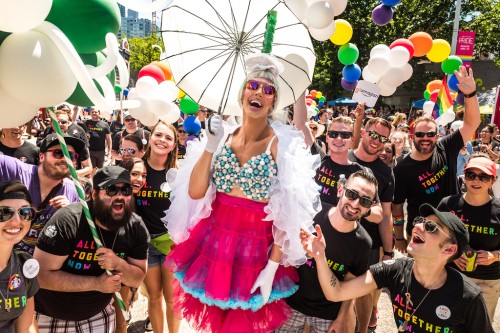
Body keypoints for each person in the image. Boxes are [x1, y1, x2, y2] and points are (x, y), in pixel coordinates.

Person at [164, 53, 320, 333]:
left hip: (254, 253)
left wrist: (272, 267)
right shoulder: (223, 136)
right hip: (214, 247)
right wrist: (211, 146)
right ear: (242, 93)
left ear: (273, 101)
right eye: (253, 85)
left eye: (268, 89)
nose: (259, 92)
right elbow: (197, 192)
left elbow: (288, 214)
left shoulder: (280, 145)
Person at [301, 203, 494, 333]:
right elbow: (337, 292)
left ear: (449, 249)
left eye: (432, 228)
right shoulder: (395, 270)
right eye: (420, 221)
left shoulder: (468, 297)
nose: (418, 227)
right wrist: (320, 257)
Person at [33, 166, 149, 333]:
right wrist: (96, 284)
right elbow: (40, 276)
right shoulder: (68, 220)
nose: (119, 196)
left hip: (96, 315)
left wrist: (119, 264)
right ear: (94, 195)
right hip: (49, 314)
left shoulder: (136, 227)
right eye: (111, 190)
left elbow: (137, 279)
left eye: (126, 190)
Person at [392, 66, 480, 252]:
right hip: (421, 232)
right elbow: (398, 207)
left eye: (430, 134)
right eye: (420, 134)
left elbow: (472, 123)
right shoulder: (402, 168)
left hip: (452, 227)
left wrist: (470, 94)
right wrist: (399, 237)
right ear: (412, 136)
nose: (425, 138)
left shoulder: (445, 147)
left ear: (437, 136)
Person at [277, 171, 376, 333]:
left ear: (368, 208)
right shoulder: (312, 213)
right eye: (351, 194)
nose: (356, 204)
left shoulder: (363, 243)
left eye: (364, 201)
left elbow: (349, 287)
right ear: (340, 190)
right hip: (290, 304)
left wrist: (342, 318)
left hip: (328, 315)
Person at [437, 155, 500, 321]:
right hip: (450, 276)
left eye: (483, 176)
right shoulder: (448, 204)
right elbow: (434, 238)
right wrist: (453, 255)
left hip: (487, 281)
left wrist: (495, 256)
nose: (476, 181)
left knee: (479, 325)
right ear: (464, 177)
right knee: (448, 324)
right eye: (471, 175)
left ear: (493, 180)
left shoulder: (498, 210)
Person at [0, 134, 84, 255]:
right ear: (41, 156)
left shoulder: (74, 191)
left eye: (72, 156)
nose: (65, 159)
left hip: (36, 264)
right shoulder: (15, 170)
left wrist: (69, 214)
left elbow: (77, 233)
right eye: (58, 153)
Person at [348, 116, 395, 331]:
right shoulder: (343, 158)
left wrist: (388, 251)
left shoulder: (386, 172)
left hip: (368, 242)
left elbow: (385, 215)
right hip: (334, 237)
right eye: (374, 134)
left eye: (383, 138)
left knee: (363, 291)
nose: (377, 141)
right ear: (364, 132)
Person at [136, 120, 179, 333]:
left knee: (173, 299)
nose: (162, 140)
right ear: (150, 137)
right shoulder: (137, 169)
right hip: (144, 244)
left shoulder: (177, 174)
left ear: (173, 146)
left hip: (170, 244)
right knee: (154, 296)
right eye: (158, 135)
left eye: (168, 138)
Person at [0, 181, 39, 333]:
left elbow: (27, 324)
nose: (16, 221)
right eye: (4, 213)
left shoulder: (25, 264)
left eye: (25, 213)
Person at [85, 107, 112, 177]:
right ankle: (92, 184)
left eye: (96, 112)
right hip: (90, 150)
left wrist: (110, 151)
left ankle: (99, 183)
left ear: (99, 113)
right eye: (92, 112)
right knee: (92, 169)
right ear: (90, 113)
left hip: (101, 151)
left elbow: (108, 139)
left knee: (100, 169)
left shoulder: (105, 124)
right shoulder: (86, 123)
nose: (94, 113)